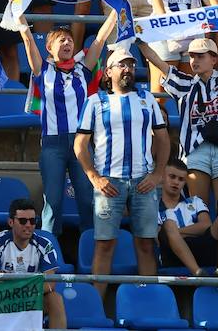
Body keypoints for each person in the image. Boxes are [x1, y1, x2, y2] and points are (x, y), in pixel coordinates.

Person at [15, 4, 118, 235]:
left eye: (70, 40)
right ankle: (49, 250)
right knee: (52, 203)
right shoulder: (42, 70)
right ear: (49, 48)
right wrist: (18, 10)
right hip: (52, 145)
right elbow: (28, 39)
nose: (67, 43)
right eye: (61, 40)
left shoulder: (83, 69)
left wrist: (115, 11)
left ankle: (91, 248)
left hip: (81, 144)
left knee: (87, 199)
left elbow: (100, 40)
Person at [75, 45, 169, 292]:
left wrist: (157, 174)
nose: (128, 69)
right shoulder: (95, 101)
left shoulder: (147, 98)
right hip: (109, 182)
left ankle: (149, 301)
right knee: (104, 245)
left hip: (143, 180)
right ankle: (97, 306)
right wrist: (94, 177)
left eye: (131, 64)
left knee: (147, 244)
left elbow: (163, 138)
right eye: (122, 65)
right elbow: (79, 144)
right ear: (108, 72)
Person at [141, 30, 218, 207]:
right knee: (199, 209)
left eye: (201, 56)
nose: (195, 61)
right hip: (195, 152)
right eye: (192, 56)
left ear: (214, 59)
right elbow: (157, 60)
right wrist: (140, 40)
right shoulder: (184, 84)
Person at [0, 197, 66, 329]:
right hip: (2, 299)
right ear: (11, 222)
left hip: (31, 299)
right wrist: (22, 290)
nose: (28, 225)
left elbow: (50, 283)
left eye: (32, 221)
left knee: (55, 299)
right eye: (23, 221)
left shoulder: (45, 244)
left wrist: (23, 292)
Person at [160, 158, 218, 278]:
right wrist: (174, 233)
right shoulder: (154, 207)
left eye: (181, 179)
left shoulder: (195, 201)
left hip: (202, 248)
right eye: (172, 177)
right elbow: (160, 238)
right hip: (173, 255)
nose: (176, 182)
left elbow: (206, 225)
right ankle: (197, 272)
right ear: (162, 177)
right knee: (169, 225)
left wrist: (176, 232)